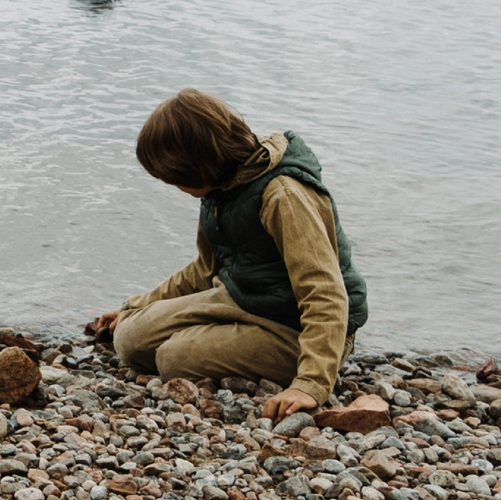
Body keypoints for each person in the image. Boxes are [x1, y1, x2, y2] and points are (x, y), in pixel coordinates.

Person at [86, 88, 370, 421]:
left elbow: (324, 292)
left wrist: (310, 383)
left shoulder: (283, 196)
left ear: (199, 165)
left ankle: (308, 359)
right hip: (245, 297)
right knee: (131, 338)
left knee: (172, 359)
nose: (174, 187)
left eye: (175, 179)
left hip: (294, 325)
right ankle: (214, 337)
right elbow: (204, 270)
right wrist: (132, 306)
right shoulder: (222, 185)